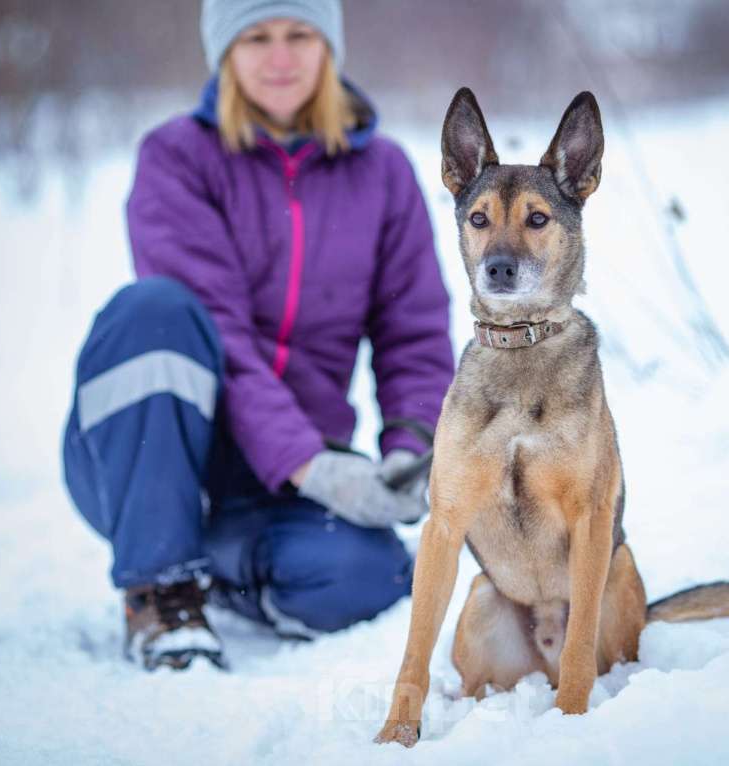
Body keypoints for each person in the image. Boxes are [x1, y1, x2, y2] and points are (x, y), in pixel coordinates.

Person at [61, 0, 454, 671]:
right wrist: (309, 463)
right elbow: (226, 341)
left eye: (300, 34)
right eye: (256, 37)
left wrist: (412, 452)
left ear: (329, 46)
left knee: (367, 578)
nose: (280, 58)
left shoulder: (383, 172)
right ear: (224, 51)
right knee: (152, 311)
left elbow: (412, 335)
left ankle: (218, 566)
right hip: (153, 454)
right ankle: (160, 588)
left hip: (282, 482)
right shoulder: (176, 157)